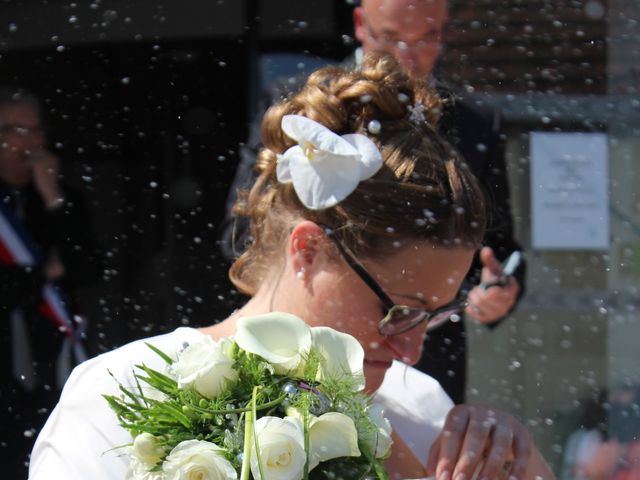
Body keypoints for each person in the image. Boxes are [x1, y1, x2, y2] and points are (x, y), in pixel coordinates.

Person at [30, 54, 553, 479]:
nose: (412, 351)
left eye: (435, 315)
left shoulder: (421, 408)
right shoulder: (121, 395)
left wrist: (523, 466)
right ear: (308, 250)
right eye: (399, 310)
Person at [222, 0, 524, 404]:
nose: (407, 56)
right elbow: (243, 231)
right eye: (391, 38)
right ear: (361, 24)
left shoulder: (475, 124)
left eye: (426, 38)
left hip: (430, 361)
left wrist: (498, 289)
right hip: (312, 344)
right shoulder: (300, 107)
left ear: (444, 29)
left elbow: (499, 245)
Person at [0, 87, 103, 478]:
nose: (30, 142)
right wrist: (43, 274)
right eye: (14, 130)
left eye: (35, 130)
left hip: (53, 359)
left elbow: (88, 268)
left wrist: (51, 197)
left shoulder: (63, 199)